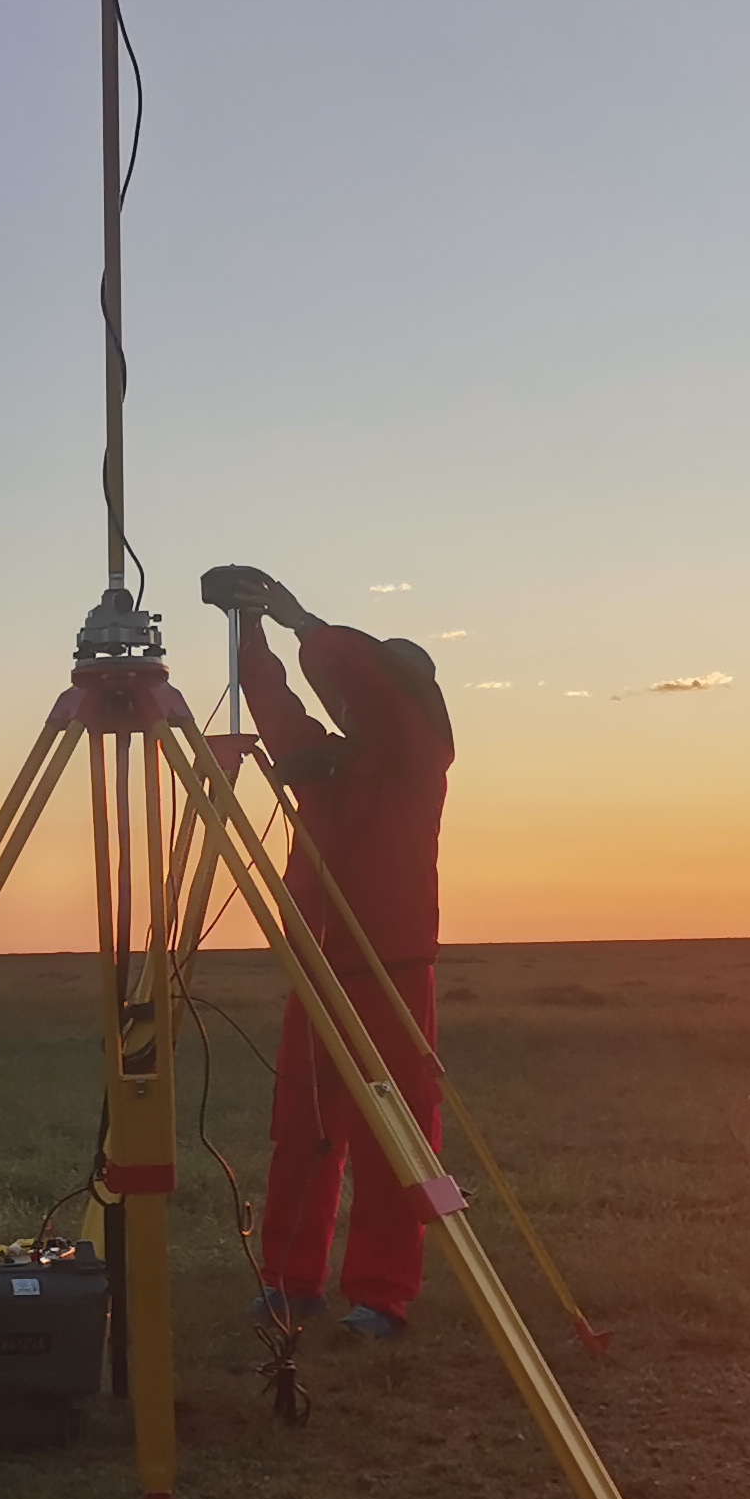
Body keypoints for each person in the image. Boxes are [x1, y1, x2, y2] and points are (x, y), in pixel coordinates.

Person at [204, 567, 456, 1344]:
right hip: (318, 969)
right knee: (303, 1128)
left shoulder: (420, 755)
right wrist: (249, 626)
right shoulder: (333, 765)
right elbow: (276, 707)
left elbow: (365, 679)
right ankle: (290, 1282)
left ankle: (381, 1296)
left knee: (393, 1135)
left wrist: (298, 618)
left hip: (390, 969)